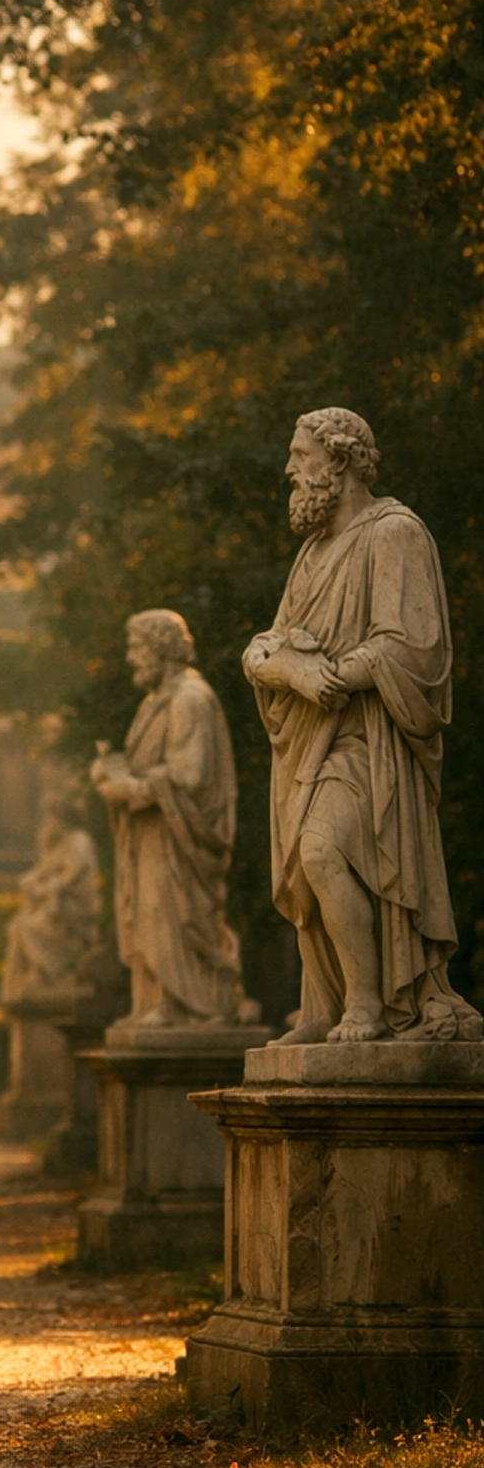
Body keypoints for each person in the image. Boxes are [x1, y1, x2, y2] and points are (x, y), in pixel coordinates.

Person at [244, 406, 481, 1043]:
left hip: (368, 738)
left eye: (301, 455)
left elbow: (414, 649)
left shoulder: (394, 533)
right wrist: (288, 672)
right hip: (309, 741)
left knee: (322, 851)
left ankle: (368, 1008)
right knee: (308, 867)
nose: (290, 469)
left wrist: (336, 676)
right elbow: (263, 645)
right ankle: (325, 1007)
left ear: (340, 462)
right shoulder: (314, 553)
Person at [90, 608, 255, 1029]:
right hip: (153, 833)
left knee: (169, 916)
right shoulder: (155, 702)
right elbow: (153, 767)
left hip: (178, 838)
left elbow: (187, 776)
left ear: (160, 647)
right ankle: (157, 1000)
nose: (130, 658)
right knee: (149, 917)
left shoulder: (189, 700)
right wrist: (114, 772)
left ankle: (188, 1004)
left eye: (135, 648)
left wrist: (126, 787)